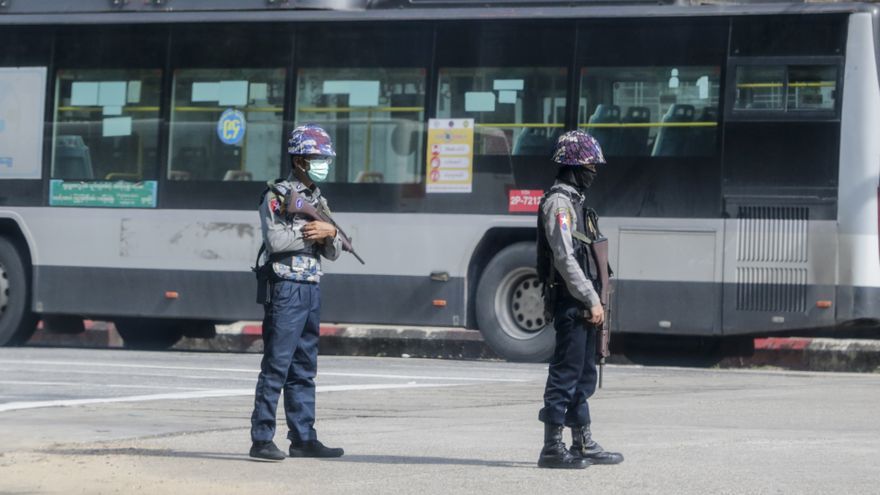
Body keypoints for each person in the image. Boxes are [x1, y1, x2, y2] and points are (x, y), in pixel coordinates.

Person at [249, 124, 344, 461]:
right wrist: (312, 234)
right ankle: (261, 439)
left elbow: (334, 252)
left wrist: (328, 234)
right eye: (319, 157)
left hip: (310, 287)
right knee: (277, 365)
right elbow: (276, 242)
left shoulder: (317, 198)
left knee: (305, 368)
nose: (324, 163)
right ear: (301, 159)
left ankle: (303, 437)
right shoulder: (276, 195)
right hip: (286, 287)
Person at [536, 130, 624, 469]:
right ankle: (552, 447)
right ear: (573, 165)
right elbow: (564, 258)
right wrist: (591, 299)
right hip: (573, 302)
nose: (594, 171)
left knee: (584, 374)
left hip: (583, 303)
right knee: (566, 373)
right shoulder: (559, 203)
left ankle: (582, 441)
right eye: (589, 165)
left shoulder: (574, 201)